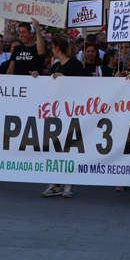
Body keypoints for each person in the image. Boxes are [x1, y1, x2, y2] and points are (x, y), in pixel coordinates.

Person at [42, 35, 85, 199]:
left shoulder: (75, 64)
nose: (51, 51)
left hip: (72, 111)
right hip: (56, 113)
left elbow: (83, 86)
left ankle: (68, 184)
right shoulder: (56, 66)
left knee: (69, 148)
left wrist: (65, 79)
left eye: (52, 48)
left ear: (57, 48)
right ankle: (55, 183)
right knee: (56, 148)